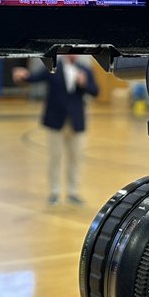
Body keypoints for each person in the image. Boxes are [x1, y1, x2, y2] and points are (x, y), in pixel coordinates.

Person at [13, 55, 99, 206]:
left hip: (76, 122)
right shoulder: (53, 68)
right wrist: (22, 76)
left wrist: (84, 83)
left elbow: (95, 91)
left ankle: (73, 192)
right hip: (55, 121)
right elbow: (33, 78)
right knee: (55, 158)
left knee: (76, 158)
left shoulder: (85, 69)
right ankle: (55, 191)